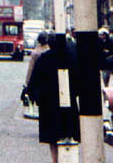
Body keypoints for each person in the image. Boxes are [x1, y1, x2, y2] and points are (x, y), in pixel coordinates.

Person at [27, 33, 80, 163]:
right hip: (68, 102)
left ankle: (55, 160)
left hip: (49, 103)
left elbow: (34, 81)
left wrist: (36, 98)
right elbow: (79, 80)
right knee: (69, 133)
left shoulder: (44, 59)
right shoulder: (71, 58)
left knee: (52, 137)